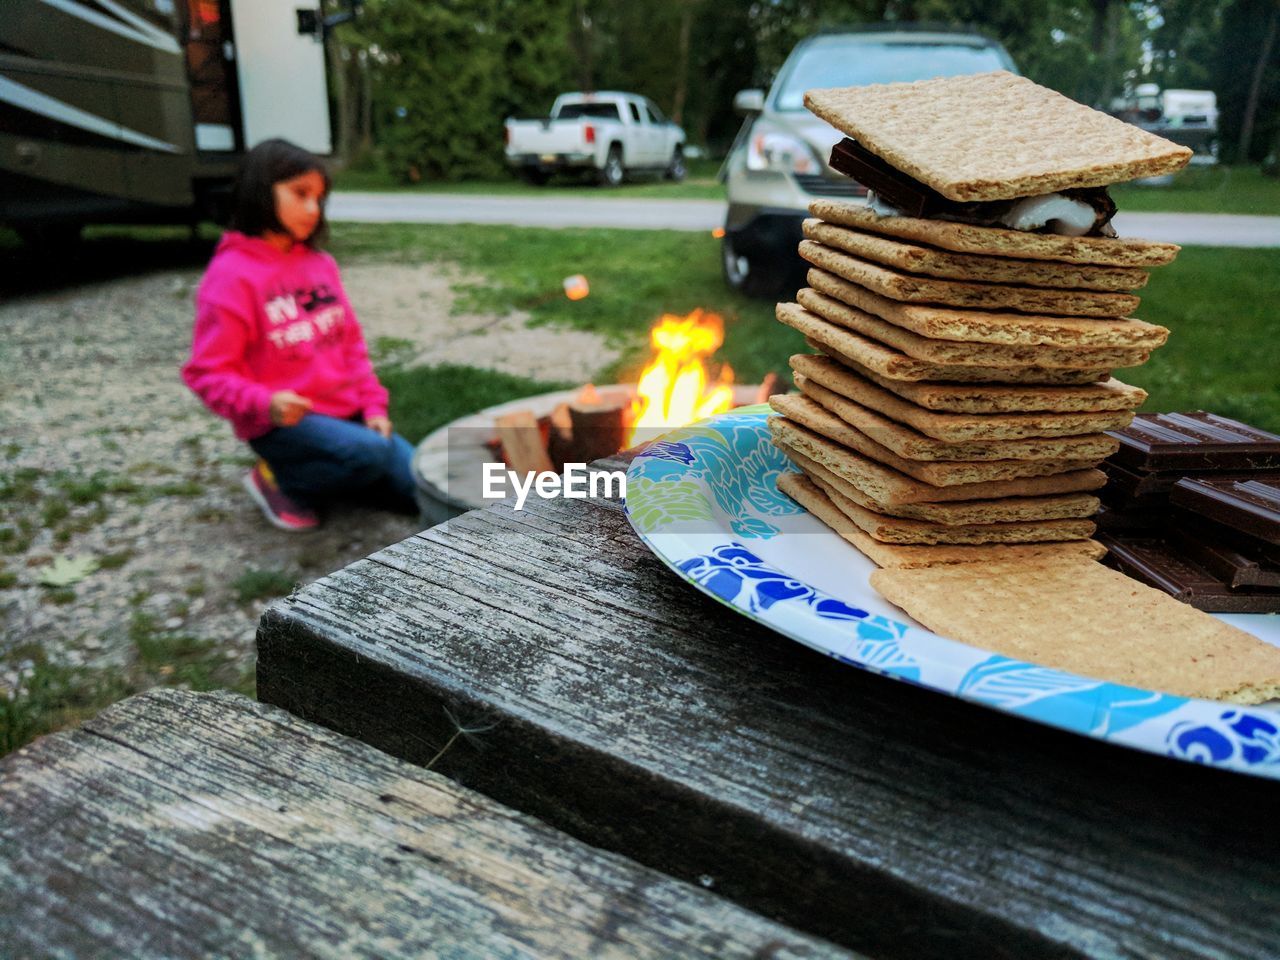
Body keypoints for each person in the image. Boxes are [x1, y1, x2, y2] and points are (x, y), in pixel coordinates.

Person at [182, 138, 417, 531]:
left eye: (319, 198)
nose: (313, 209)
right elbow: (206, 374)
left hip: (349, 416)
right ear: (261, 188)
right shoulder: (231, 276)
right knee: (373, 455)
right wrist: (265, 403)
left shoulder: (320, 264)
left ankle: (345, 468)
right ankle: (280, 480)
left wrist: (374, 407)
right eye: (300, 194)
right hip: (284, 424)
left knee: (423, 487)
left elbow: (351, 345)